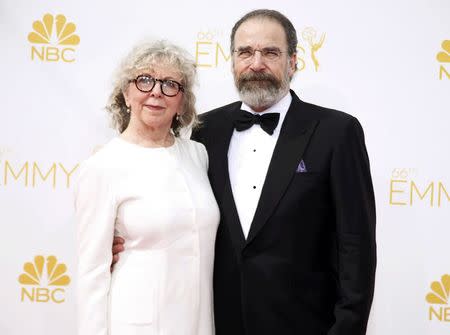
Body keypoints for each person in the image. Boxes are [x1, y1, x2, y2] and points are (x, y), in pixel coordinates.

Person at [114, 9, 377, 335]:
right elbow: (183, 213)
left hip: (305, 324)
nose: (256, 63)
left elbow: (356, 247)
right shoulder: (205, 131)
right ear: (232, 61)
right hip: (219, 322)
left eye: (270, 52)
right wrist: (127, 238)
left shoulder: (337, 132)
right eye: (245, 52)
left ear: (293, 62)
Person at [75, 40, 219, 335]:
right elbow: (91, 275)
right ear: (126, 94)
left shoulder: (197, 155)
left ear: (182, 101)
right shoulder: (102, 167)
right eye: (144, 80)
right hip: (135, 324)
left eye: (170, 84)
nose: (156, 91)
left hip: (198, 322)